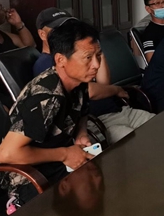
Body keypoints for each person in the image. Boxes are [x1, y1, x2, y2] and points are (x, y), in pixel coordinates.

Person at [0, 20, 101, 212]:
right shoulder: (47, 97)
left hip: (58, 164)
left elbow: (82, 113)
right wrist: (65, 154)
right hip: (30, 177)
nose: (96, 64)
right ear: (60, 60)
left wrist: (81, 133)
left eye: (98, 55)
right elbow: (6, 154)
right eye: (88, 57)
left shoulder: (79, 82)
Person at [33, 8, 154, 144]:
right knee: (144, 143)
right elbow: (88, 91)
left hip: (118, 111)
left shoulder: (80, 55)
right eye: (58, 29)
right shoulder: (47, 63)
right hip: (96, 121)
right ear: (42, 34)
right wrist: (115, 90)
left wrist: (95, 50)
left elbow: (103, 84)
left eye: (69, 27)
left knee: (163, 127)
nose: (66, 32)